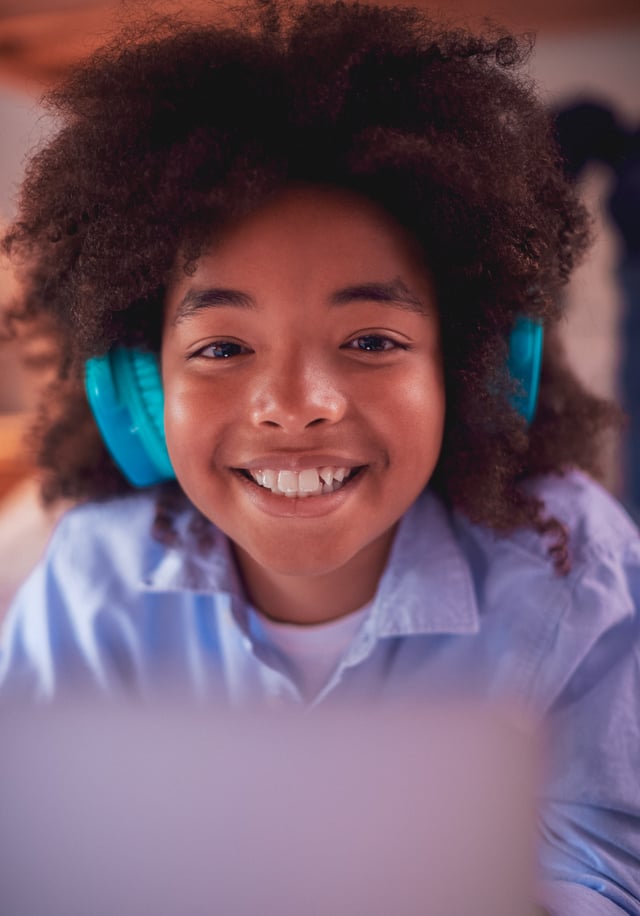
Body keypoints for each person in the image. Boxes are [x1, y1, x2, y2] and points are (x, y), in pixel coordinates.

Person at [0, 2, 638, 912]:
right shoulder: (90, 587)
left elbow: (609, 874)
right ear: (140, 394)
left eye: (372, 340)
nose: (296, 407)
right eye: (222, 348)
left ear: (471, 372)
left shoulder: (578, 571)